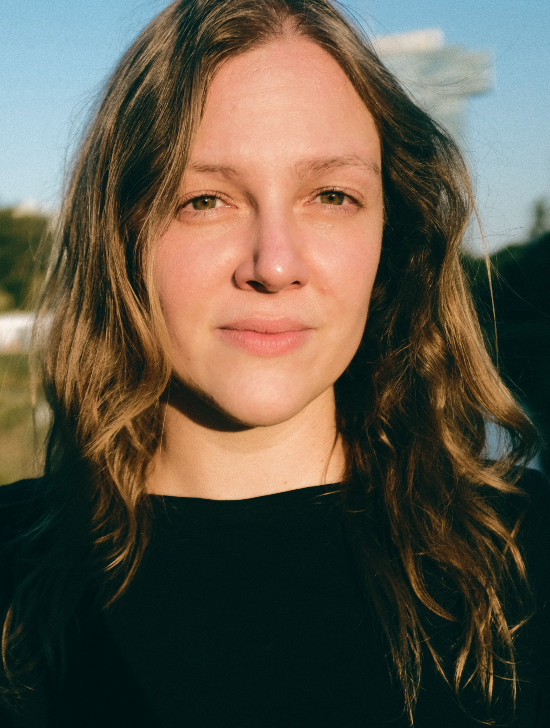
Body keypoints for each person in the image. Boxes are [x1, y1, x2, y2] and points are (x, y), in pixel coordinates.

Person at [1, 0, 549, 726]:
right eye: (204, 200)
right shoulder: (13, 574)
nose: (275, 264)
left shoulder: (528, 558)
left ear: (392, 235)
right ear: (120, 234)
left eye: (332, 196)